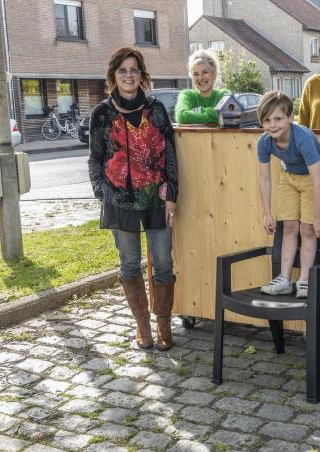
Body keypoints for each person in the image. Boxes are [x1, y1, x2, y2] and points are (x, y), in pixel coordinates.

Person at [88, 47, 179, 351]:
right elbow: (95, 159)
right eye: (123, 70)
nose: (129, 75)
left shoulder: (156, 109)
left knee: (163, 261)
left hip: (156, 197)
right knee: (129, 263)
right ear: (114, 75)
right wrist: (103, 193)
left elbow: (169, 154)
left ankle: (163, 324)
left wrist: (172, 194)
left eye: (134, 69)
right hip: (120, 201)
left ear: (142, 75)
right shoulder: (102, 113)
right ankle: (143, 328)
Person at [256, 90, 320, 298]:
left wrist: (318, 217)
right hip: (288, 177)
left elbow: (318, 180)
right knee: (288, 226)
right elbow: (264, 178)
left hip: (311, 180)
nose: (273, 125)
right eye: (267, 120)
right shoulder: (264, 142)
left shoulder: (303, 138)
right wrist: (267, 213)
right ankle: (284, 279)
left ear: (290, 117)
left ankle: (304, 279)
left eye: (278, 118)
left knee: (307, 230)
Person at [175, 48, 229, 125]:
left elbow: (229, 117)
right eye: (196, 74)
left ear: (214, 74)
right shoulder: (187, 95)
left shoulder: (223, 95)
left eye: (205, 72)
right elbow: (182, 116)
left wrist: (199, 110)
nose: (200, 78)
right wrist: (214, 114)